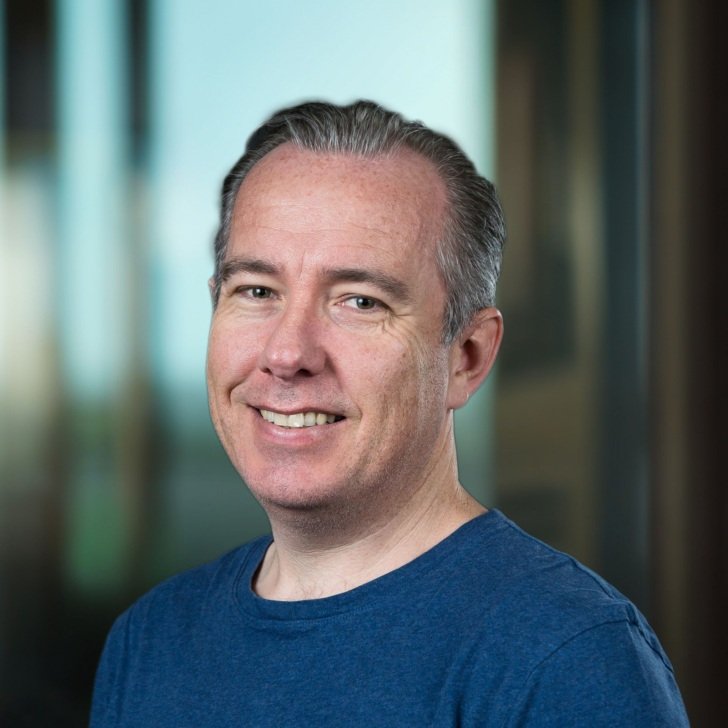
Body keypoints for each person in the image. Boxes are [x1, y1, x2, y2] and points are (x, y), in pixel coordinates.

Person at [90, 100, 688, 726]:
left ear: (467, 355)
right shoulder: (150, 640)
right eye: (258, 291)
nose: (288, 352)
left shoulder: (566, 660)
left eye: (360, 301)